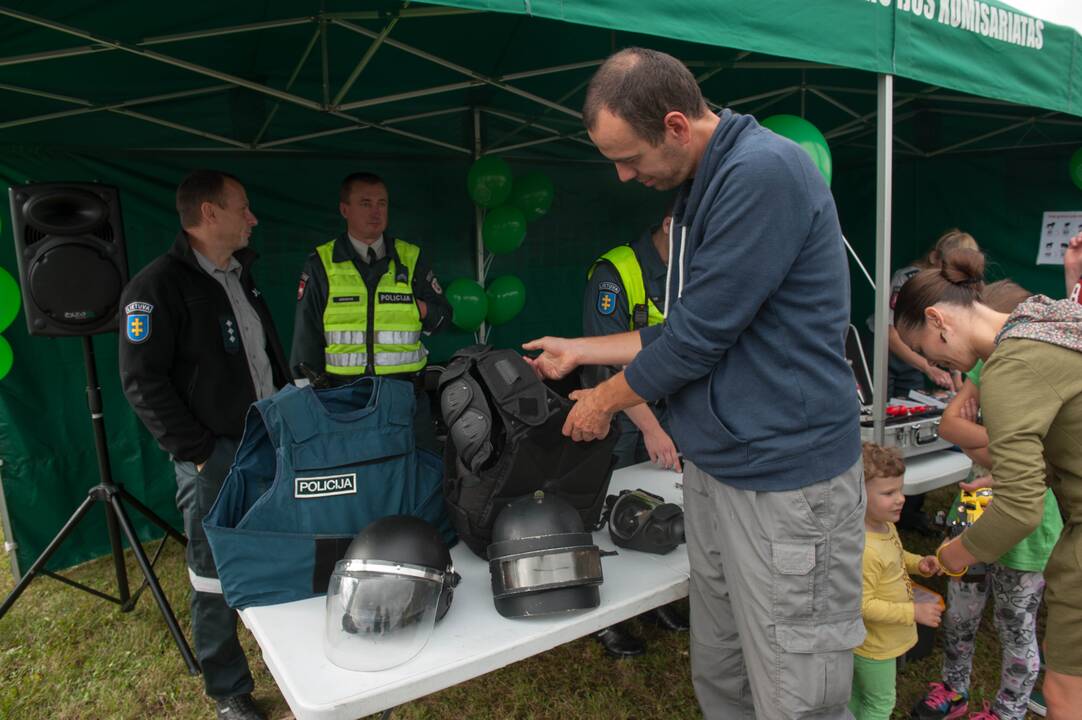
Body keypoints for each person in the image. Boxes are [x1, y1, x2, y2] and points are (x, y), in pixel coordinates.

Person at [524, 47, 864, 719]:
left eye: (630, 157)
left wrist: (601, 399)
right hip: (719, 471)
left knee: (796, 694)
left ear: (677, 125)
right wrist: (580, 348)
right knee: (726, 673)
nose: (623, 176)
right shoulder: (703, 188)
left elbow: (697, 339)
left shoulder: (762, 173)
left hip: (785, 484)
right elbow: (684, 326)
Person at [119, 169, 290, 720]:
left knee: (286, 557)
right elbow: (143, 383)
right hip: (216, 459)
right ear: (209, 213)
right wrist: (199, 451)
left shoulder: (243, 275)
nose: (253, 218)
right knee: (211, 575)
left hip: (271, 444)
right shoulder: (155, 287)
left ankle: (297, 661)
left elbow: (263, 358)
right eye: (243, 207)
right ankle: (229, 690)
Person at [894, 248, 1082, 720]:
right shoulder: (1042, 317)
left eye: (925, 348)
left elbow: (1020, 510)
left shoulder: (1009, 368)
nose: (934, 359)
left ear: (938, 320)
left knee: (1064, 696)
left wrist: (957, 554)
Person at [583, 210, 689, 658]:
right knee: (608, 518)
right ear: (669, 225)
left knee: (655, 508)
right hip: (619, 419)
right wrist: (652, 429)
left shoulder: (690, 270)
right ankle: (608, 618)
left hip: (667, 414)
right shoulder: (614, 273)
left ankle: (652, 602)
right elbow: (613, 363)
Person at [290, 172, 451, 450]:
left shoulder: (410, 257)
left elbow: (444, 318)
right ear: (345, 209)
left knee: (421, 479)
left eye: (382, 203)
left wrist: (420, 309)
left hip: (406, 399)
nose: (376, 212)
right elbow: (306, 337)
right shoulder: (321, 263)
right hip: (345, 400)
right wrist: (309, 403)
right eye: (365, 203)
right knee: (359, 481)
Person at [881, 229, 979, 536]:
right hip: (894, 353)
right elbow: (891, 332)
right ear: (937, 258)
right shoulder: (907, 278)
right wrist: (927, 364)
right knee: (893, 439)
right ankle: (886, 506)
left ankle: (910, 511)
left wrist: (958, 380)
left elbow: (951, 342)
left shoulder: (951, 291)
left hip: (922, 352)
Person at [850, 443, 942, 720]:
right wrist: (913, 612)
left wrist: (918, 563)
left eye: (900, 490)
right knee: (879, 704)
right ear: (858, 494)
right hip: (875, 647)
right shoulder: (865, 549)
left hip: (878, 642)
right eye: (889, 493)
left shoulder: (885, 527)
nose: (901, 499)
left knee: (856, 697)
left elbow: (896, 554)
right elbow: (862, 604)